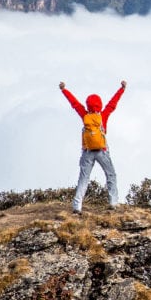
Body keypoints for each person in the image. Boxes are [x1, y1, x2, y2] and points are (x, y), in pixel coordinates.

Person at [59, 80, 126, 214]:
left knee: (83, 178)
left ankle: (77, 206)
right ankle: (113, 202)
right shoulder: (103, 115)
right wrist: (122, 89)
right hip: (102, 151)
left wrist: (64, 90)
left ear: (88, 105)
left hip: (87, 151)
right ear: (99, 105)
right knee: (110, 175)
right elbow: (113, 103)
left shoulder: (85, 115)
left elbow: (75, 104)